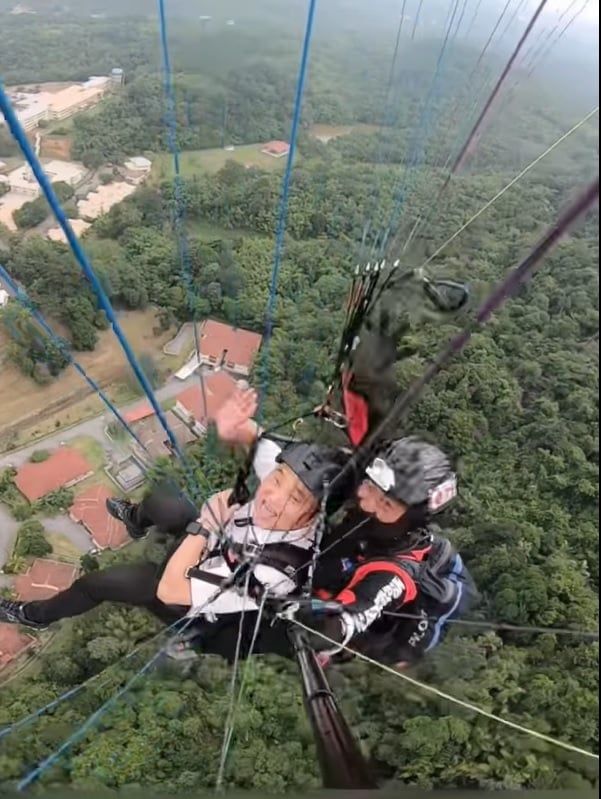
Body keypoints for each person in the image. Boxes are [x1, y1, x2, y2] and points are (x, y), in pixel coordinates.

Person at [0, 434, 347, 654]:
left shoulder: (278, 570)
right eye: (277, 479)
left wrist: (205, 524)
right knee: (162, 498)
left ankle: (35, 616)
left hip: (188, 600)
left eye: (297, 498)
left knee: (97, 584)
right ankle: (137, 522)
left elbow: (171, 589)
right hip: (209, 548)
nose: (272, 497)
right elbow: (257, 455)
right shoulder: (278, 488)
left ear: (315, 514)